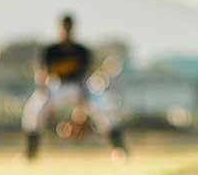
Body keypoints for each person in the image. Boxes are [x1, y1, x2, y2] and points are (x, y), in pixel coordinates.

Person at [22, 13, 128, 160]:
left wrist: (83, 100)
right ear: (60, 28)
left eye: (69, 27)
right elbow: (42, 74)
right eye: (65, 27)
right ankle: (30, 154)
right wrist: (44, 93)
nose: (67, 30)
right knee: (34, 110)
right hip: (56, 86)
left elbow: (86, 75)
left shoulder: (82, 50)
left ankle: (119, 150)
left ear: (73, 28)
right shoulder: (51, 50)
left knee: (105, 107)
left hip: (80, 86)